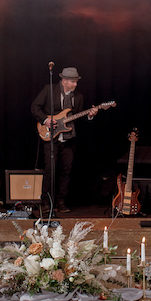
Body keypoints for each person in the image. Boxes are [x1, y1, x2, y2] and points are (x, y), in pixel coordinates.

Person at [31, 66, 98, 214]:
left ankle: (61, 201)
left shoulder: (78, 97)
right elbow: (35, 107)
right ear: (64, 80)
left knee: (66, 171)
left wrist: (90, 115)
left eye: (76, 82)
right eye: (73, 82)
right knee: (50, 170)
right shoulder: (49, 89)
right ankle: (46, 202)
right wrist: (45, 120)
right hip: (50, 136)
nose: (75, 85)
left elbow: (78, 119)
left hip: (69, 138)